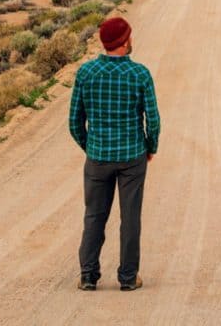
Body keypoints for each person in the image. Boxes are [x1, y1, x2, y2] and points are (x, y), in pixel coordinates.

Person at [68, 15, 160, 292]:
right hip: (132, 157)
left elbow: (74, 121)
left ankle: (88, 276)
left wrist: (91, 146)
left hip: (97, 157)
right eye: (129, 36)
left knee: (94, 215)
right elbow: (153, 119)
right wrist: (150, 147)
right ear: (123, 41)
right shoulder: (139, 74)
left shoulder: (86, 73)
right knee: (130, 217)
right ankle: (128, 277)